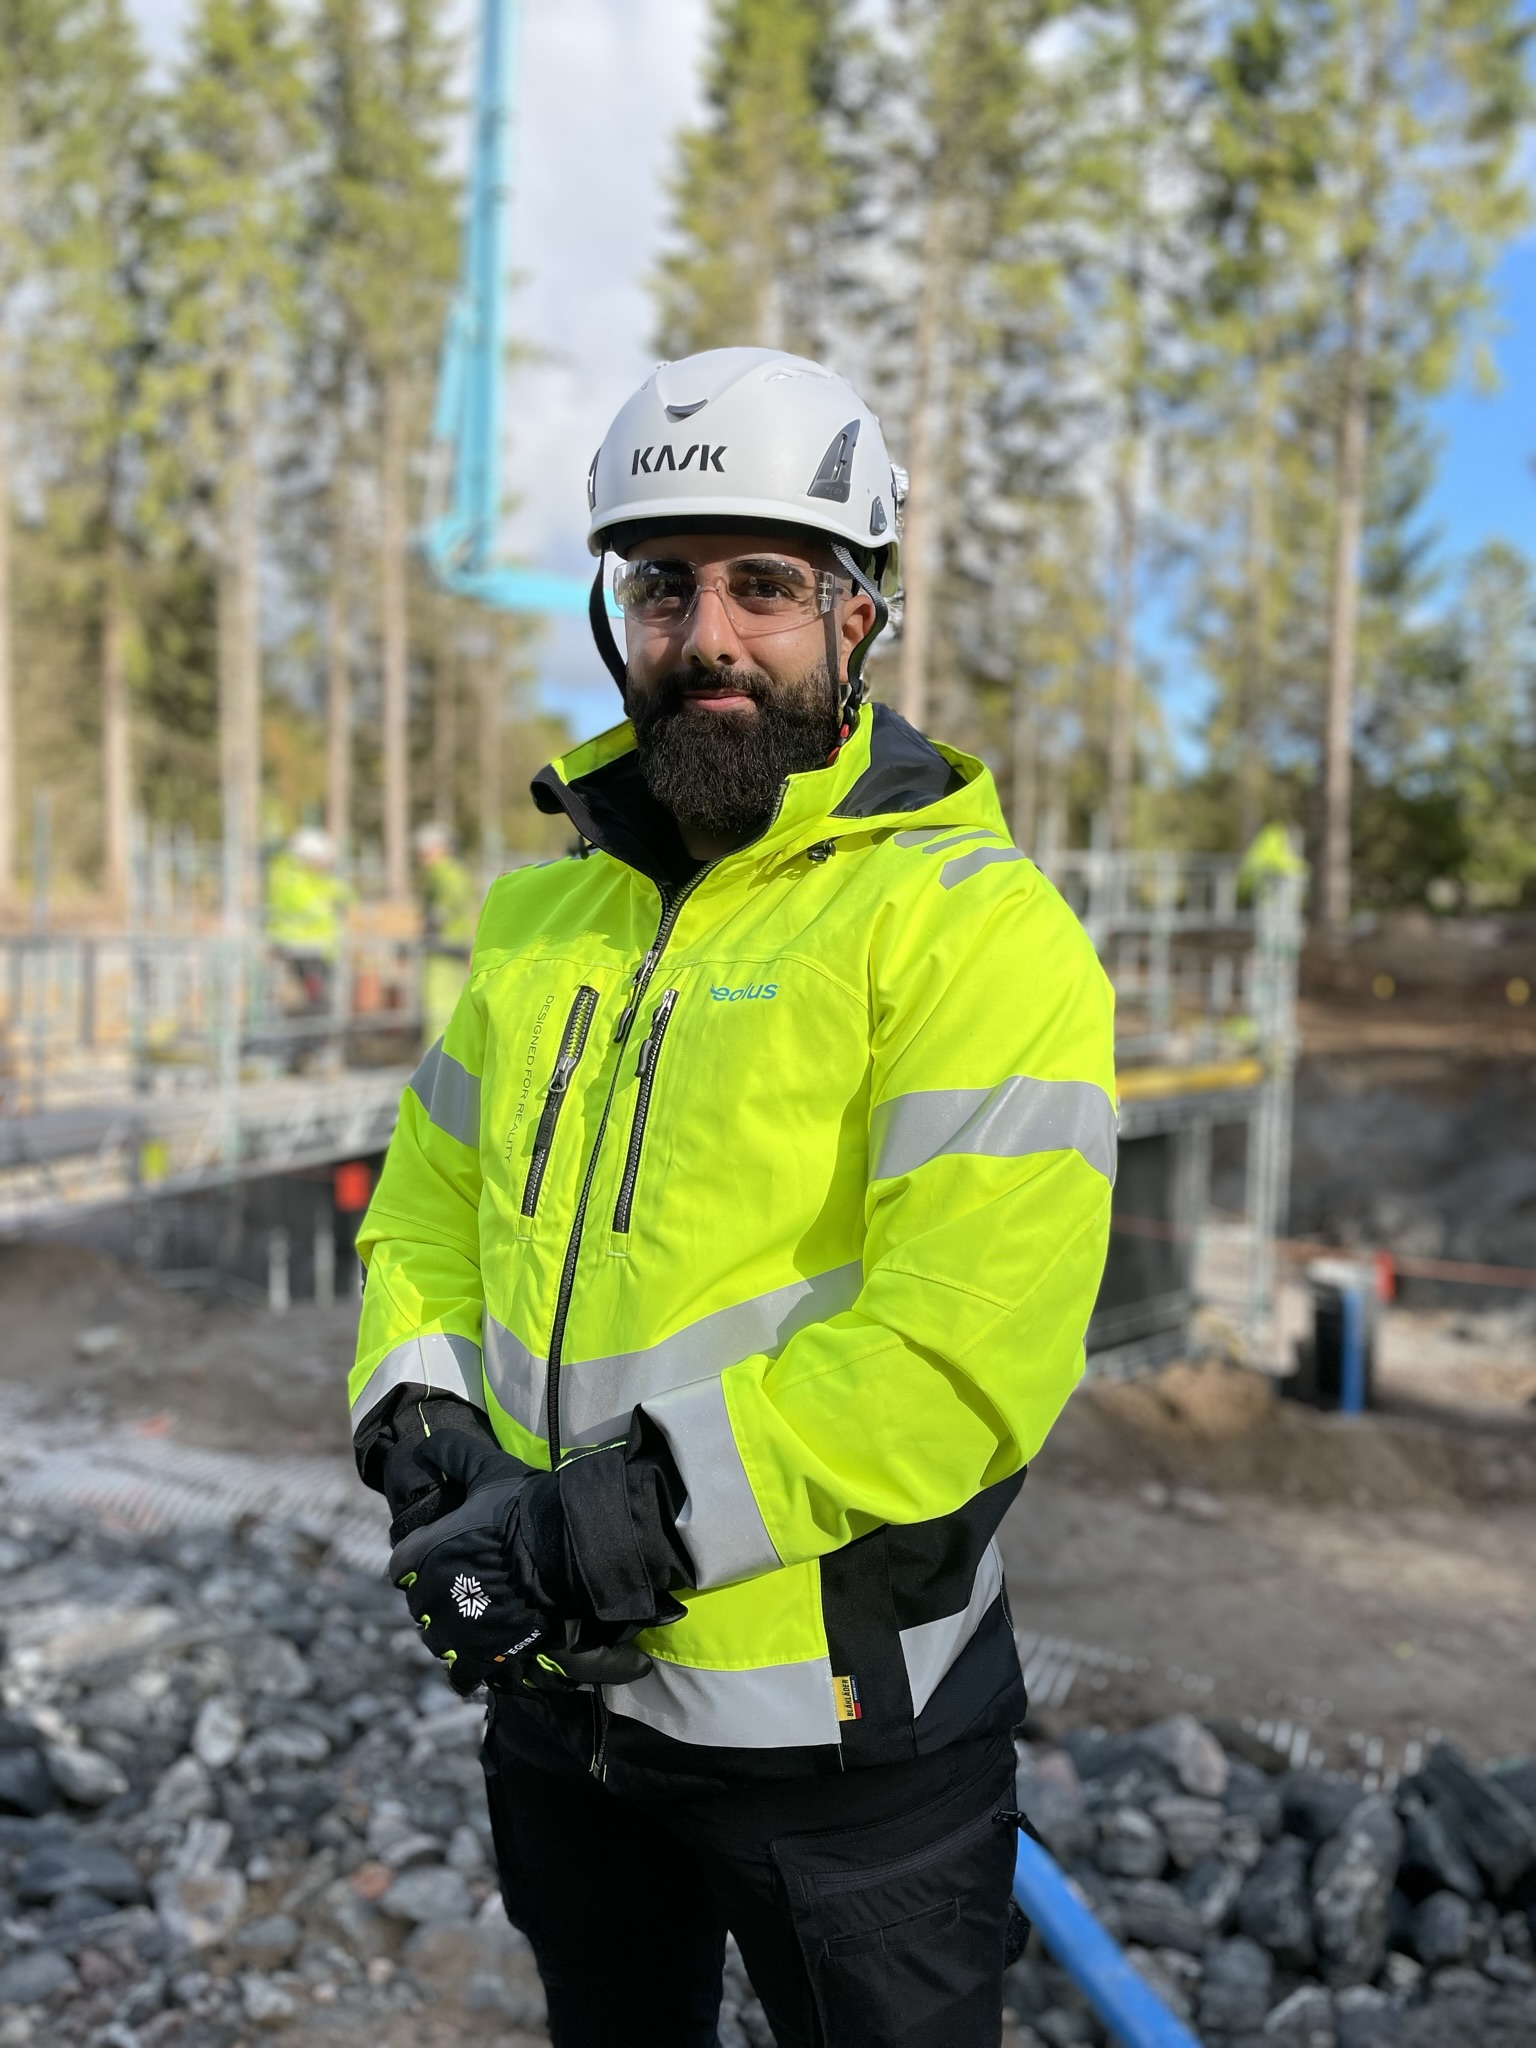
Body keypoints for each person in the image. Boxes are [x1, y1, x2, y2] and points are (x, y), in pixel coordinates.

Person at [348, 347, 1116, 2048]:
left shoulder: (972, 930)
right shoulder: (543, 921)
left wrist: (606, 1524)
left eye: (764, 583)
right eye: (661, 584)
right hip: (565, 1713)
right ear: (616, 615)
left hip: (846, 1746)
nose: (707, 633)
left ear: (858, 614)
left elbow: (958, 1354)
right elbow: (423, 1214)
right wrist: (425, 1428)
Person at [265, 826, 352, 1019]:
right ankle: (309, 1028)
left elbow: (340, 892)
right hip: (301, 945)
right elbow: (308, 904)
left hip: (318, 946)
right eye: (319, 861)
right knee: (312, 997)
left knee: (318, 996)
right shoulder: (288, 874)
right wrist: (329, 903)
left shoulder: (310, 875)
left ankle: (314, 1025)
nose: (323, 866)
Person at [413, 821, 478, 1049]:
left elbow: (451, 902)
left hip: (446, 947)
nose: (421, 857)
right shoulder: (444, 872)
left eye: (425, 851)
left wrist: (434, 920)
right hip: (448, 946)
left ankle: (438, 1050)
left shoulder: (446, 872)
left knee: (439, 1002)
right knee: (443, 1000)